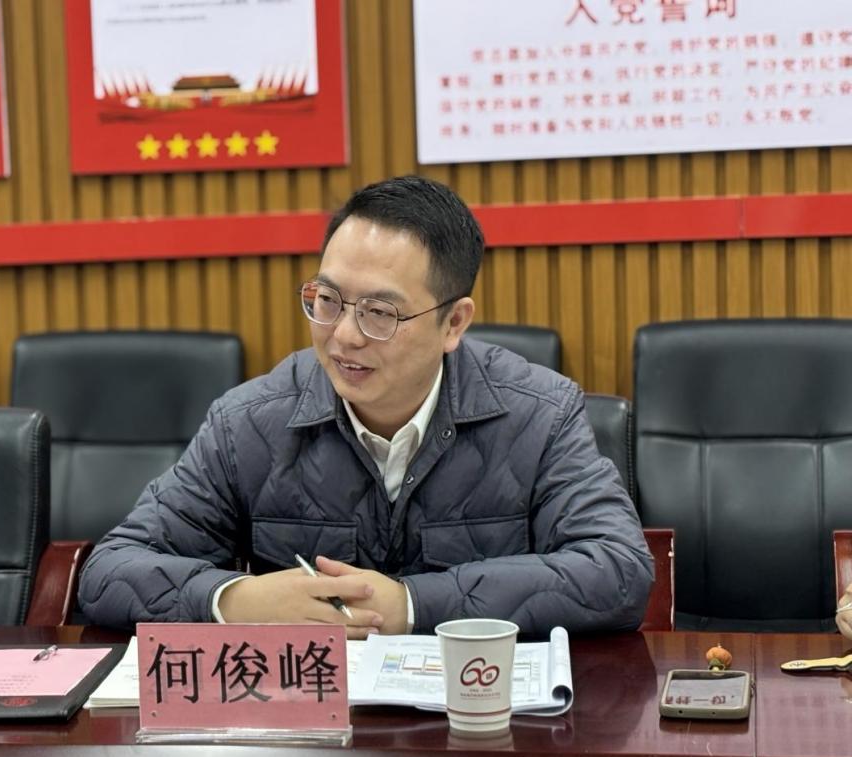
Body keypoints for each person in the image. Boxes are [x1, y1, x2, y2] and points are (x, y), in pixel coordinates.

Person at [78, 175, 654, 636]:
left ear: (453, 323)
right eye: (327, 300)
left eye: (380, 313)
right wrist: (235, 600)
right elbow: (109, 571)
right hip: (316, 721)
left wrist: (412, 605)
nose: (344, 336)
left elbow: (619, 570)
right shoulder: (250, 422)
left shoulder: (540, 414)